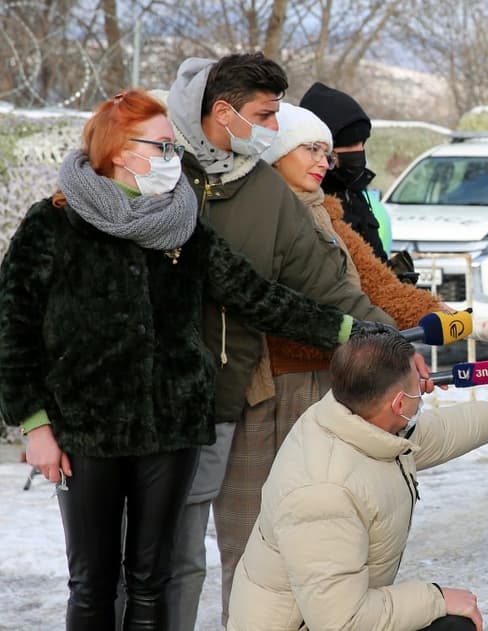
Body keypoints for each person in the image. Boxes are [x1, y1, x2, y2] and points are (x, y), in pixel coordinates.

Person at [0, 89, 384, 630]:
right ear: (117, 148)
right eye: (159, 147)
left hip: (171, 427)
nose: (171, 160)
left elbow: (257, 295)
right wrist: (34, 423)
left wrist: (348, 330)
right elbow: (13, 330)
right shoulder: (53, 225)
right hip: (85, 430)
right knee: (92, 582)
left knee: (152, 580)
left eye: (171, 147)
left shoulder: (182, 224)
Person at [204, 102, 488, 624]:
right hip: (265, 391)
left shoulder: (326, 216)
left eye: (328, 151)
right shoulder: (257, 213)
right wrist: (393, 346)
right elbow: (307, 302)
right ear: (277, 152)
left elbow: (377, 290)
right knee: (257, 537)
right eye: (312, 148)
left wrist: (455, 323)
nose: (326, 161)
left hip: (333, 378)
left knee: (331, 538)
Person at [161, 53, 414, 631]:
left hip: (221, 400)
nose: (273, 130)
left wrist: (395, 349)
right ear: (222, 112)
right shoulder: (158, 167)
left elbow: (326, 285)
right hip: (147, 401)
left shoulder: (261, 189)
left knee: (214, 558)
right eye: (266, 116)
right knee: (141, 561)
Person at [226, 331, 488, 631]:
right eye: (418, 388)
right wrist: (437, 598)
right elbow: (340, 622)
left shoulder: (354, 420)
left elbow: (435, 434)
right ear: (399, 404)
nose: (424, 392)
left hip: (327, 615)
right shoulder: (323, 493)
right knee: (452, 624)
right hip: (311, 624)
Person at [299, 82, 389, 262]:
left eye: (363, 143)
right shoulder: (309, 201)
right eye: (349, 144)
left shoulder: (354, 190)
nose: (359, 151)